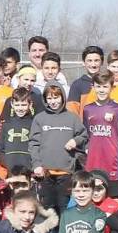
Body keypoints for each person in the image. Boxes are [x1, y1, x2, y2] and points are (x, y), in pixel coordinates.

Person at [30, 83, 87, 214]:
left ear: (62, 97)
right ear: (45, 99)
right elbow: (34, 143)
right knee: (47, 209)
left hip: (66, 173)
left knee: (64, 208)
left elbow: (83, 135)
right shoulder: (40, 118)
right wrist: (37, 164)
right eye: (49, 98)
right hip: (45, 173)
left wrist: (75, 141)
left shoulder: (72, 117)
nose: (53, 101)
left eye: (56, 97)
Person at [83, 71, 118, 198]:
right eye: (98, 86)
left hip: (114, 163)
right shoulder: (87, 109)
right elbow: (85, 134)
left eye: (105, 86)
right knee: (94, 199)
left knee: (115, 201)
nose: (101, 90)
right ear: (93, 87)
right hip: (93, 162)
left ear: (112, 87)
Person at [0, 87, 35, 170]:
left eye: (24, 105)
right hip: (9, 168)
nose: (20, 108)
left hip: (28, 168)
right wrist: (6, 163)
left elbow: (37, 147)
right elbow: (0, 148)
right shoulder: (6, 124)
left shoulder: (34, 124)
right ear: (12, 104)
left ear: (30, 104)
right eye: (17, 105)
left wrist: (32, 165)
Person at [66, 46, 104, 118]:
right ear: (83, 63)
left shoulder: (108, 83)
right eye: (89, 61)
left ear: (102, 62)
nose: (93, 65)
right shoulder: (77, 85)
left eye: (96, 60)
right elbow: (72, 112)